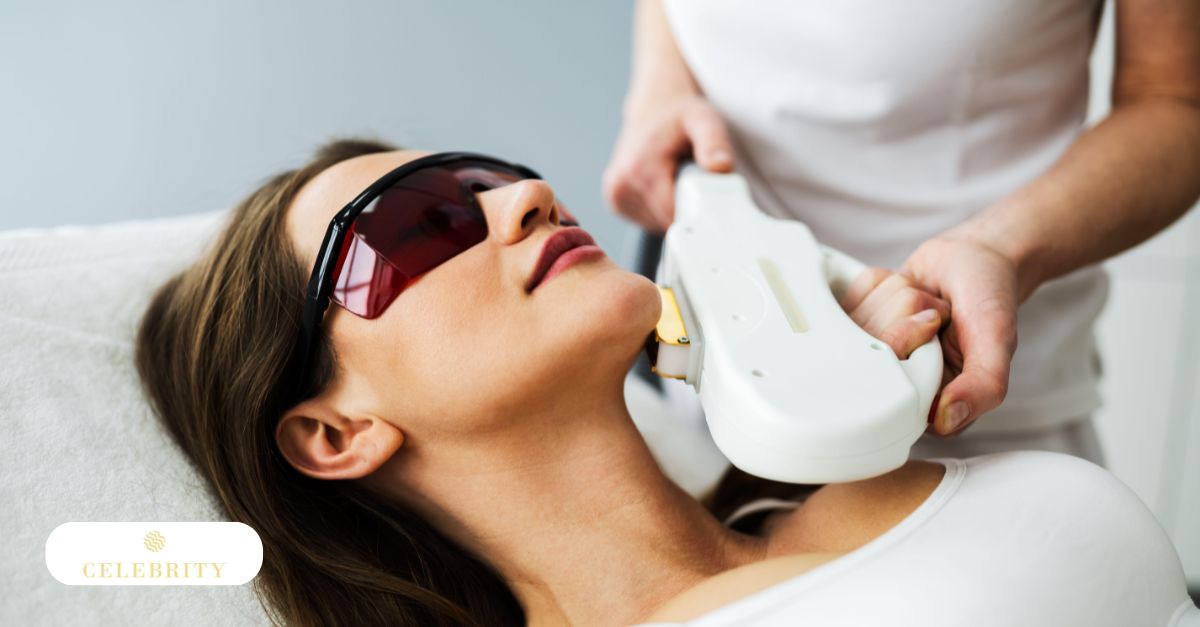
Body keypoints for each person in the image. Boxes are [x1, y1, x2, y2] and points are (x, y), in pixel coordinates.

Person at [135, 139, 1196, 626]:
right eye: (416, 226)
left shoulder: (866, 467)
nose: (526, 197)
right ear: (335, 432)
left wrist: (854, 376)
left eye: (486, 176)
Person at [603, 0, 1200, 463]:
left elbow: (1174, 100)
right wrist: (659, 87)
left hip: (962, 411)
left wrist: (997, 246)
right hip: (716, 380)